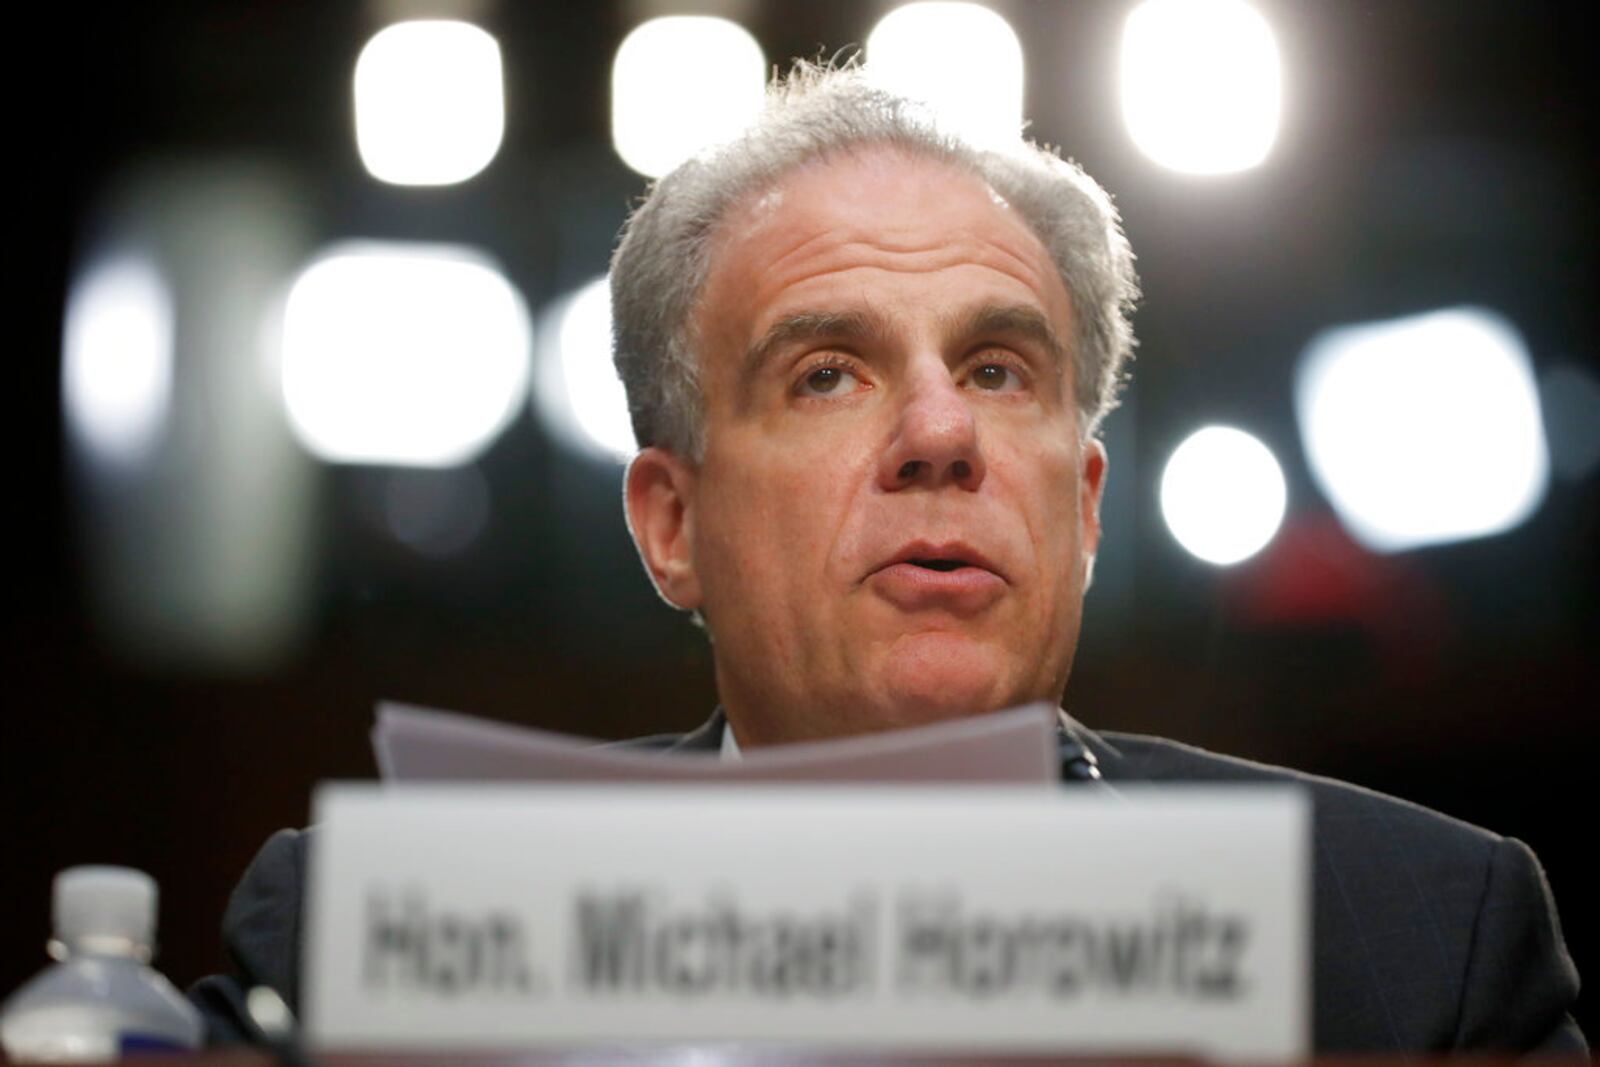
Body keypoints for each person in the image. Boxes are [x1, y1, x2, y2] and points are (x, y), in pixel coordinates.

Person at [191, 62, 1585, 1053]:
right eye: (827, 375)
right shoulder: (365, 946)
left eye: (995, 367)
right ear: (673, 526)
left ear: (1087, 505)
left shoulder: (1415, 945)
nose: (938, 435)